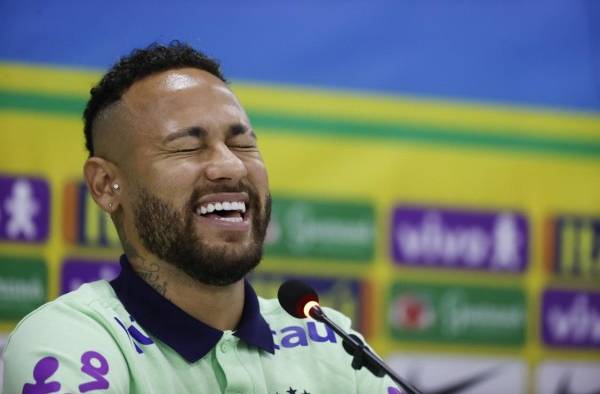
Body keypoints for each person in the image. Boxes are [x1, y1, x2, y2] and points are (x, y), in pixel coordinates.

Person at [2, 42, 397, 393]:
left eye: (242, 143)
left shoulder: (328, 340)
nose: (230, 166)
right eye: (187, 147)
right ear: (106, 185)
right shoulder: (71, 341)